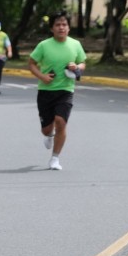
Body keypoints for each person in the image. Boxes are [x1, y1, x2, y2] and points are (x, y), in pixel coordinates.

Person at [27, 10, 86, 171]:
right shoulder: (43, 45)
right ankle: (49, 134)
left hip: (66, 90)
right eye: (58, 25)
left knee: (61, 122)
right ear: (52, 28)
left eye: (64, 24)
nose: (61, 27)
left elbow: (82, 63)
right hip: (45, 91)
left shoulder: (75, 44)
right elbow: (31, 63)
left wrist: (77, 67)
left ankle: (55, 158)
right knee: (46, 129)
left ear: (69, 27)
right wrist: (42, 76)